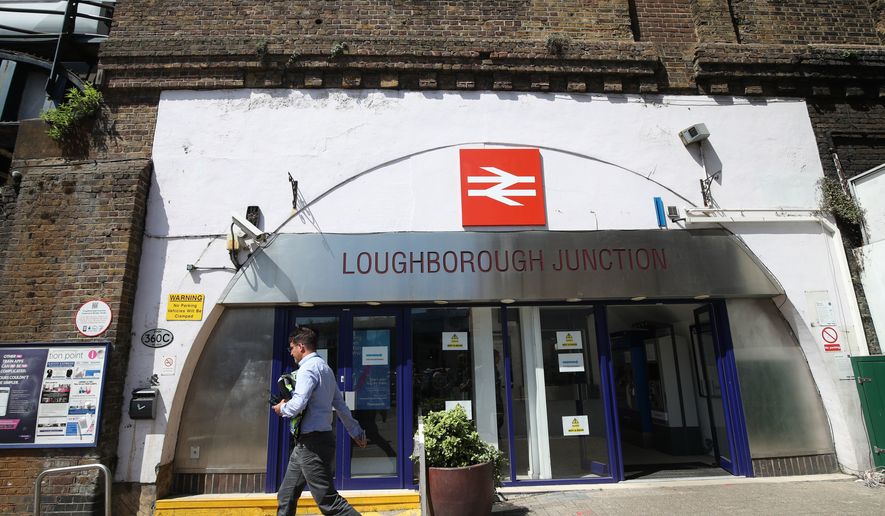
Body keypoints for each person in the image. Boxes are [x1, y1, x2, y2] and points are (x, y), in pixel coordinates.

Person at [273, 326, 368, 516]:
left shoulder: (307, 369)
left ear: (301, 346)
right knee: (286, 494)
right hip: (307, 443)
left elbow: (297, 404)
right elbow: (340, 405)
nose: (291, 353)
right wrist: (355, 431)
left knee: (328, 502)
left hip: (312, 444)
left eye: (291, 348)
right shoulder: (325, 369)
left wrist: (281, 408)